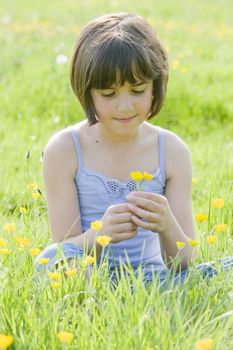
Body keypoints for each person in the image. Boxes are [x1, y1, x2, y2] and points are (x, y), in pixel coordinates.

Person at [34, 13, 229, 289]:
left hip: (155, 280)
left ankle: (152, 301)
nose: (125, 107)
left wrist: (166, 224)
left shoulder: (171, 151)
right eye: (109, 94)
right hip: (91, 279)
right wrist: (100, 234)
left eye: (137, 90)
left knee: (226, 269)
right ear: (86, 91)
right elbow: (64, 252)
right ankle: (104, 302)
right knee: (45, 264)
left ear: (155, 86)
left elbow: (184, 262)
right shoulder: (65, 150)